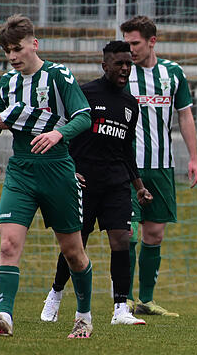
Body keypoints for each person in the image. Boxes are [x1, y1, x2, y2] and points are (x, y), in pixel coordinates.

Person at [0, 14, 94, 338]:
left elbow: (84, 117)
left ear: (34, 44)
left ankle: (83, 316)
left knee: (73, 253)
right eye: (7, 51)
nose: (12, 57)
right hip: (20, 170)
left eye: (17, 49)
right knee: (8, 246)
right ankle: (5, 317)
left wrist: (57, 134)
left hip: (57, 170)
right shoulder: (7, 83)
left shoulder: (58, 76)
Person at [39, 41, 152, 326]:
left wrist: (138, 185)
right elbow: (63, 135)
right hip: (84, 181)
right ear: (105, 66)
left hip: (116, 183)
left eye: (129, 63)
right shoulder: (84, 94)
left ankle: (120, 309)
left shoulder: (131, 104)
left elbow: (126, 149)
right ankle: (55, 295)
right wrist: (69, 170)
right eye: (119, 63)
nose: (125, 68)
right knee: (76, 246)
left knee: (122, 241)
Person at [120, 15, 197, 317]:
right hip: (128, 167)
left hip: (162, 166)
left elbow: (185, 116)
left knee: (154, 234)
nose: (130, 50)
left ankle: (146, 300)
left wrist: (193, 158)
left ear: (152, 41)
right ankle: (123, 298)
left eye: (135, 43)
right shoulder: (122, 73)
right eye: (127, 44)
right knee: (126, 232)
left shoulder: (173, 73)